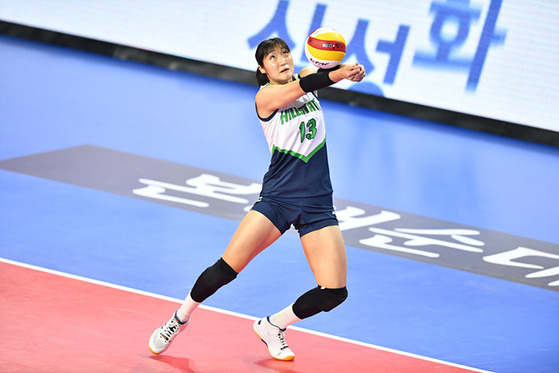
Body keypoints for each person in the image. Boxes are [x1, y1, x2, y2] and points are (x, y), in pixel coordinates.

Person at [149, 37, 366, 361]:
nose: (282, 60)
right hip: (278, 200)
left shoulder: (305, 79)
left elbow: (324, 70)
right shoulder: (267, 97)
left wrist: (352, 70)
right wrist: (336, 75)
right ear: (262, 69)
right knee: (225, 269)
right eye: (272, 57)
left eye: (285, 54)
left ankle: (273, 326)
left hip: (318, 203)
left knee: (334, 292)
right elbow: (315, 81)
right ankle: (178, 319)